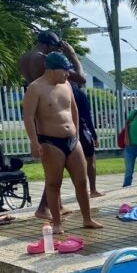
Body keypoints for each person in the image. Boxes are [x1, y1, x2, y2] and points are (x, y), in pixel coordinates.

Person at [22, 52, 102, 233]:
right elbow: (28, 117)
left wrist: (78, 136)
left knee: (82, 182)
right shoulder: (35, 88)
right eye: (64, 71)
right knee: (53, 183)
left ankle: (87, 219)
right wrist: (34, 142)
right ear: (51, 70)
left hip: (73, 140)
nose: (67, 75)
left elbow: (73, 109)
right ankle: (57, 223)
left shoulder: (66, 85)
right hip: (50, 142)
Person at [18, 30, 84, 221]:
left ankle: (57, 206)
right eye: (56, 47)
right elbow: (80, 77)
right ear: (49, 46)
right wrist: (71, 54)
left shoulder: (24, 59)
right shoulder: (46, 61)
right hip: (51, 116)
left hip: (43, 112)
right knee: (55, 175)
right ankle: (45, 208)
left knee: (55, 173)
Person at [72, 83, 103, 197]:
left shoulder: (56, 90)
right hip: (81, 130)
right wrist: (94, 136)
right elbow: (87, 117)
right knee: (90, 160)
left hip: (63, 131)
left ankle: (79, 190)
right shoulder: (79, 93)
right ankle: (92, 190)